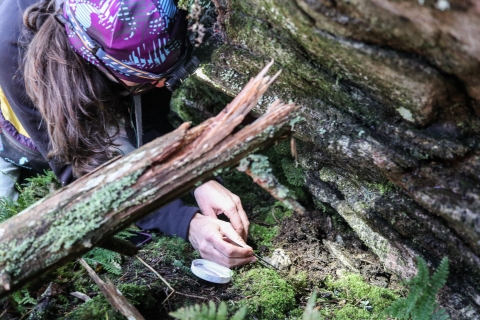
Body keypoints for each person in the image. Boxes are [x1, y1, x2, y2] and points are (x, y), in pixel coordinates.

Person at [0, 0, 255, 267]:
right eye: (147, 80)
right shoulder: (14, 49)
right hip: (21, 131)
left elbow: (147, 119)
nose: (160, 85)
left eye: (167, 76)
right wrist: (186, 223)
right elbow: (83, 172)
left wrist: (196, 176)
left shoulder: (144, 18)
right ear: (96, 60)